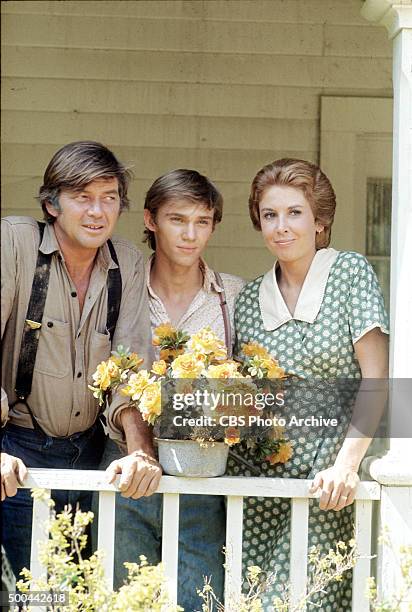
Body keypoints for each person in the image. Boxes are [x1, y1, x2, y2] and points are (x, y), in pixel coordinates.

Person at [226, 158, 389, 610]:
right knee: (250, 598)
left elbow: (377, 377)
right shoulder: (248, 300)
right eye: (269, 215)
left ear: (320, 221)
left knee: (305, 597)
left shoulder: (349, 273)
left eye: (295, 213)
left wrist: (347, 465)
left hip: (328, 475)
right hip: (259, 477)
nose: (281, 227)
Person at [1, 141, 161, 580]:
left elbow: (131, 367)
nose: (97, 212)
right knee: (30, 590)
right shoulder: (15, 242)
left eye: (109, 198)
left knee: (81, 590)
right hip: (17, 453)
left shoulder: (125, 262)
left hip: (95, 456)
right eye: (82, 197)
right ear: (52, 204)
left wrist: (141, 453)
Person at [101, 169, 245, 608]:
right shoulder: (118, 288)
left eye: (202, 222)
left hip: (203, 469)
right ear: (150, 220)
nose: (190, 234)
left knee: (200, 595)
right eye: (177, 219)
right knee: (125, 593)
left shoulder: (233, 296)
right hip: (124, 459)